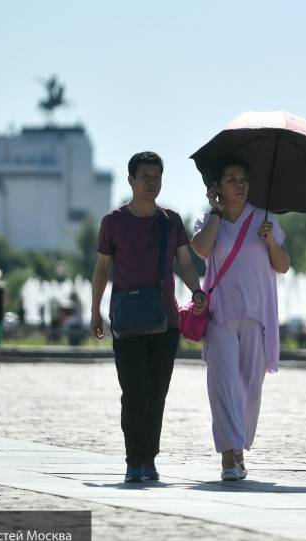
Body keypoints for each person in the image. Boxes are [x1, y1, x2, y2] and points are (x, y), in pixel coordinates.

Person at [90, 151, 207, 484]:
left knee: (157, 392)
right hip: (126, 321)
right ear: (131, 180)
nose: (151, 183)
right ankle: (133, 460)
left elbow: (184, 262)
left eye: (156, 177)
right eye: (144, 177)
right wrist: (95, 309)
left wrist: (196, 291)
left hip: (165, 320)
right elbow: (101, 268)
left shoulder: (170, 221)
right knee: (133, 392)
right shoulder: (113, 222)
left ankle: (149, 459)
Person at [190, 156, 290, 481]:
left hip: (256, 316)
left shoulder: (265, 219)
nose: (241, 184)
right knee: (223, 384)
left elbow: (283, 265)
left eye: (244, 179)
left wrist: (271, 240)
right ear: (218, 187)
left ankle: (240, 447)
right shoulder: (207, 220)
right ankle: (228, 456)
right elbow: (201, 249)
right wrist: (216, 214)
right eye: (232, 179)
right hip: (220, 315)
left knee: (250, 387)